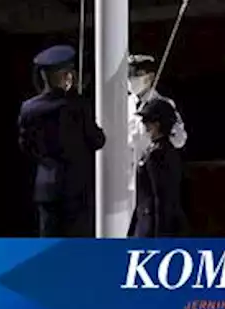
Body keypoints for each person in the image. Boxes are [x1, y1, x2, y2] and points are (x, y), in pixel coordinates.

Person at [19, 44, 107, 237]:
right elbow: (97, 140)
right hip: (76, 188)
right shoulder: (77, 105)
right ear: (67, 75)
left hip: (46, 187)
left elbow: (26, 146)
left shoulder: (28, 108)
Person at [126, 53, 187, 198]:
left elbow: (180, 139)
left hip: (153, 176)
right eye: (129, 75)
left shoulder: (163, 104)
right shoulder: (123, 105)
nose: (131, 79)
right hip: (127, 178)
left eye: (136, 75)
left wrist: (167, 127)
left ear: (150, 77)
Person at [127, 99, 188, 237]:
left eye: (148, 121)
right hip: (147, 221)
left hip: (152, 227)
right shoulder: (160, 151)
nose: (145, 125)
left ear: (159, 124)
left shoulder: (158, 154)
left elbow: (160, 197)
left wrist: (159, 235)